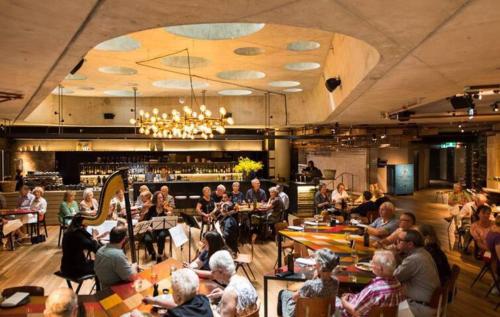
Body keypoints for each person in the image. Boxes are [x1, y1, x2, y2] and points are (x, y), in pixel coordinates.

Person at [338, 250, 405, 317]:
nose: (370, 264)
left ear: (380, 268)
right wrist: (354, 296)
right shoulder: (397, 284)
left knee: (333, 299)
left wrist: (343, 301)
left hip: (348, 313)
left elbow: (356, 312)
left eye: (373, 262)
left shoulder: (374, 290)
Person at [278, 248, 339, 317]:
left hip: (302, 313)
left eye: (316, 261)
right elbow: (332, 307)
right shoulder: (335, 283)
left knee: (283, 293)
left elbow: (295, 298)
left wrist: (312, 280)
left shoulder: (310, 284)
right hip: (322, 314)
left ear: (320, 265)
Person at [394, 229, 440, 317]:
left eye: (399, 240)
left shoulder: (414, 259)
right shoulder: (424, 253)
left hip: (418, 307)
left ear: (410, 244)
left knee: (380, 306)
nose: (396, 242)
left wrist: (392, 256)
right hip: (427, 302)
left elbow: (394, 278)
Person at [143, 268, 213, 317]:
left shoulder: (174, 314)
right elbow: (184, 308)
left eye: (173, 290)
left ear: (178, 297)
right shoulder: (203, 299)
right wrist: (155, 301)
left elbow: (180, 310)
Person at [207, 250, 259, 316]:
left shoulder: (229, 293)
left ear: (221, 271)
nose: (212, 274)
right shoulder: (244, 280)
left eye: (213, 271)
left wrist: (210, 308)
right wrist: (223, 294)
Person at [94, 225, 138, 290]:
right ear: (124, 239)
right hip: (116, 290)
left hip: (103, 287)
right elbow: (132, 277)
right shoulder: (117, 255)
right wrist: (134, 267)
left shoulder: (100, 250)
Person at [60, 213, 102, 278]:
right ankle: (101, 287)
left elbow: (87, 241)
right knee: (104, 265)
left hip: (65, 267)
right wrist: (94, 236)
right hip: (75, 270)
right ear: (84, 222)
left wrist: (97, 237)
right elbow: (95, 248)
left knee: (95, 263)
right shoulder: (78, 233)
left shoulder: (70, 231)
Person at [139, 190, 172, 262]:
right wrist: (148, 227)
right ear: (155, 199)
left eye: (162, 198)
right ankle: (152, 253)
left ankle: (160, 254)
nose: (161, 199)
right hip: (152, 229)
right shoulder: (151, 208)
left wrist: (169, 215)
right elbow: (145, 220)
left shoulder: (165, 208)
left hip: (163, 228)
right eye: (159, 198)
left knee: (161, 235)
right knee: (147, 239)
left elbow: (170, 220)